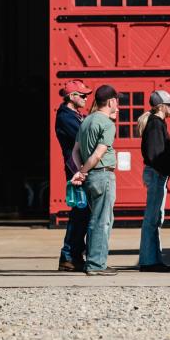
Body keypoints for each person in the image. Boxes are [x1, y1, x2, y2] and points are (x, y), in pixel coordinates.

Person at [70, 84, 121, 276]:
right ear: (110, 101)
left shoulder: (86, 120)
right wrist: (83, 171)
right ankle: (96, 264)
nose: (117, 104)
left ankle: (93, 261)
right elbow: (98, 154)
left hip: (91, 176)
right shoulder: (107, 124)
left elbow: (75, 152)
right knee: (102, 221)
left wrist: (80, 171)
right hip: (102, 175)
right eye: (116, 100)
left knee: (95, 219)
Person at [136, 89, 170, 272]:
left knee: (154, 217)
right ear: (161, 106)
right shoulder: (156, 124)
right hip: (156, 173)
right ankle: (149, 261)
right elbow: (155, 155)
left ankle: (152, 258)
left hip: (156, 173)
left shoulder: (157, 123)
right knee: (152, 218)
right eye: (169, 103)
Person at [55, 79, 91, 272]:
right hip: (75, 170)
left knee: (83, 214)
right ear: (72, 97)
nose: (86, 98)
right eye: (83, 95)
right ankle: (68, 256)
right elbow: (85, 138)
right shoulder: (65, 117)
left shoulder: (75, 115)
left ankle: (75, 255)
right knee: (79, 213)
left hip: (80, 169)